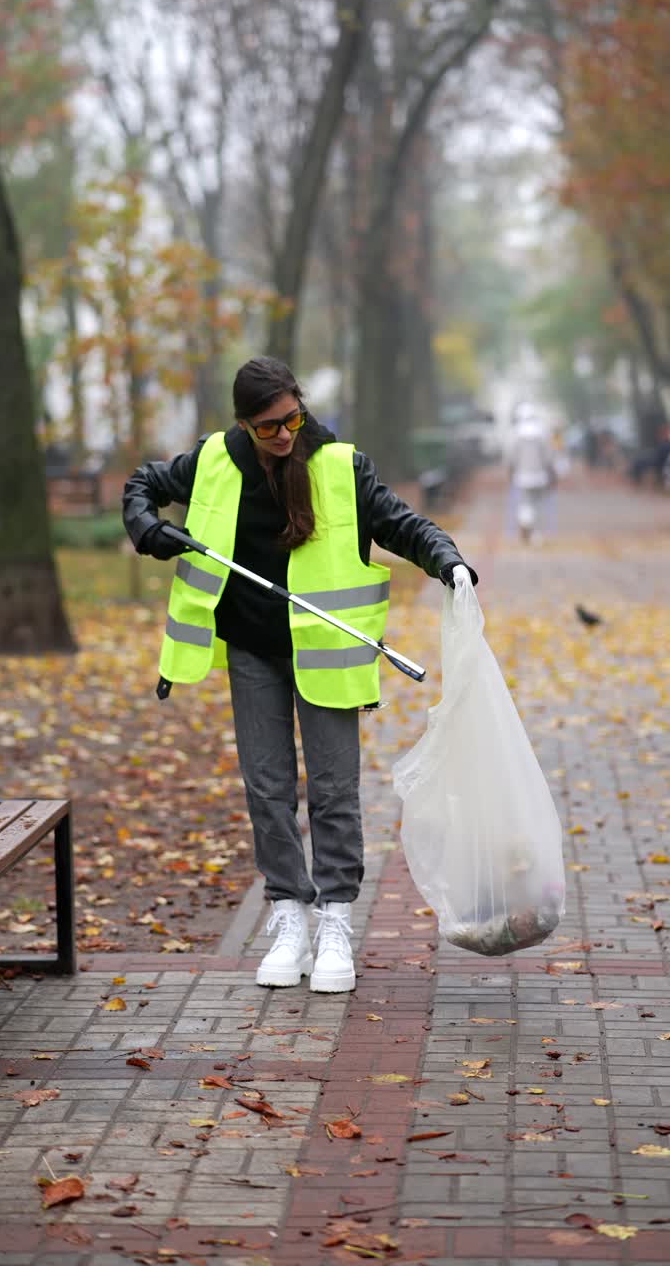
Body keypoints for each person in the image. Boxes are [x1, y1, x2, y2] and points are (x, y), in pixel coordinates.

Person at [123, 356, 477, 993]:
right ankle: (288, 914)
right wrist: (148, 529)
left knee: (335, 791)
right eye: (268, 427)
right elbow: (142, 485)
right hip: (252, 648)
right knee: (267, 787)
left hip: (325, 649)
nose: (284, 434)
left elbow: (401, 523)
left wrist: (446, 558)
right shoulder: (213, 461)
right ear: (243, 424)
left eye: (293, 418)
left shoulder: (340, 466)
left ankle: (335, 919)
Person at [507, 403, 556, 543]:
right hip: (540, 476)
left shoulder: (516, 434)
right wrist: (551, 472)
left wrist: (511, 471)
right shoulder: (542, 433)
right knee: (537, 504)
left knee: (525, 503)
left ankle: (525, 523)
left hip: (522, 476)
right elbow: (548, 456)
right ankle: (534, 533)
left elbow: (511, 456)